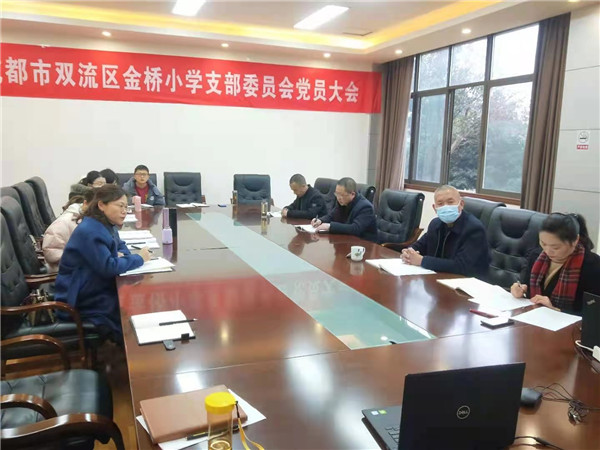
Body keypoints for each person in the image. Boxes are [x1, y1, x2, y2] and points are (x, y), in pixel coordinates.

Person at [54, 184, 151, 343]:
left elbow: (120, 245)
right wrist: (138, 258)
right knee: (127, 309)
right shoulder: (90, 231)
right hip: (80, 295)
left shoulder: (105, 224)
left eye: (126, 207)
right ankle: (132, 350)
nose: (124, 211)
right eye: (120, 206)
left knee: (131, 300)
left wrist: (123, 257)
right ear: (101, 205)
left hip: (92, 284)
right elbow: (109, 267)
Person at [510, 213, 600, 315]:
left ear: (575, 240)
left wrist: (555, 310)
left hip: (568, 324)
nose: (547, 251)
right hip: (532, 318)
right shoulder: (536, 256)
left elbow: (594, 313)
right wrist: (520, 290)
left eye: (556, 247)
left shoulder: (593, 266)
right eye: (543, 243)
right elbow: (526, 288)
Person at [401, 185, 489, 277]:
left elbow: (462, 266)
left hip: (465, 281)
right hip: (437, 277)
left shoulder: (474, 229)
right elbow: (420, 245)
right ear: (435, 208)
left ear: (461, 204)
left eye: (450, 202)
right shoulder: (435, 224)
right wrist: (408, 252)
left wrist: (422, 261)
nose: (446, 207)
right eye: (440, 203)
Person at [42, 189, 95, 272]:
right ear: (85, 203)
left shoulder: (97, 221)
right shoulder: (64, 222)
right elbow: (51, 252)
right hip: (69, 271)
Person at [311, 177, 377, 242]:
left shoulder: (366, 207)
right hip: (346, 240)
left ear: (352, 194)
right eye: (337, 194)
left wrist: (329, 226)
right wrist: (320, 220)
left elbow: (355, 229)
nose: (338, 198)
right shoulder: (343, 202)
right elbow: (332, 215)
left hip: (364, 243)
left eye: (342, 195)